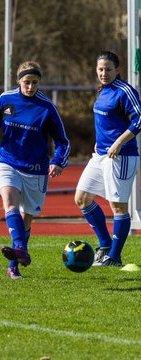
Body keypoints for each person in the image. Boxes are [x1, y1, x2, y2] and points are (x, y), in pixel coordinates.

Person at [0, 61, 70, 279]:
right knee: (9, 202)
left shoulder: (46, 108)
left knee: (26, 218)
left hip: (36, 170)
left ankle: (15, 264)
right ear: (18, 80)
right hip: (8, 163)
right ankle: (20, 247)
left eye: (35, 82)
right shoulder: (6, 99)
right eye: (26, 82)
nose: (30, 87)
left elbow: (63, 142)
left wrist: (57, 161)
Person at [75, 50, 141, 267]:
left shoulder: (125, 91)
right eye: (100, 69)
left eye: (108, 69)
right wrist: (100, 141)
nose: (104, 73)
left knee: (118, 207)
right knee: (82, 198)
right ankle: (104, 246)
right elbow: (107, 122)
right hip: (101, 154)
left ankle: (114, 257)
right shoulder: (102, 90)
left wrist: (118, 142)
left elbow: (139, 120)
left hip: (121, 156)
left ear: (118, 70)